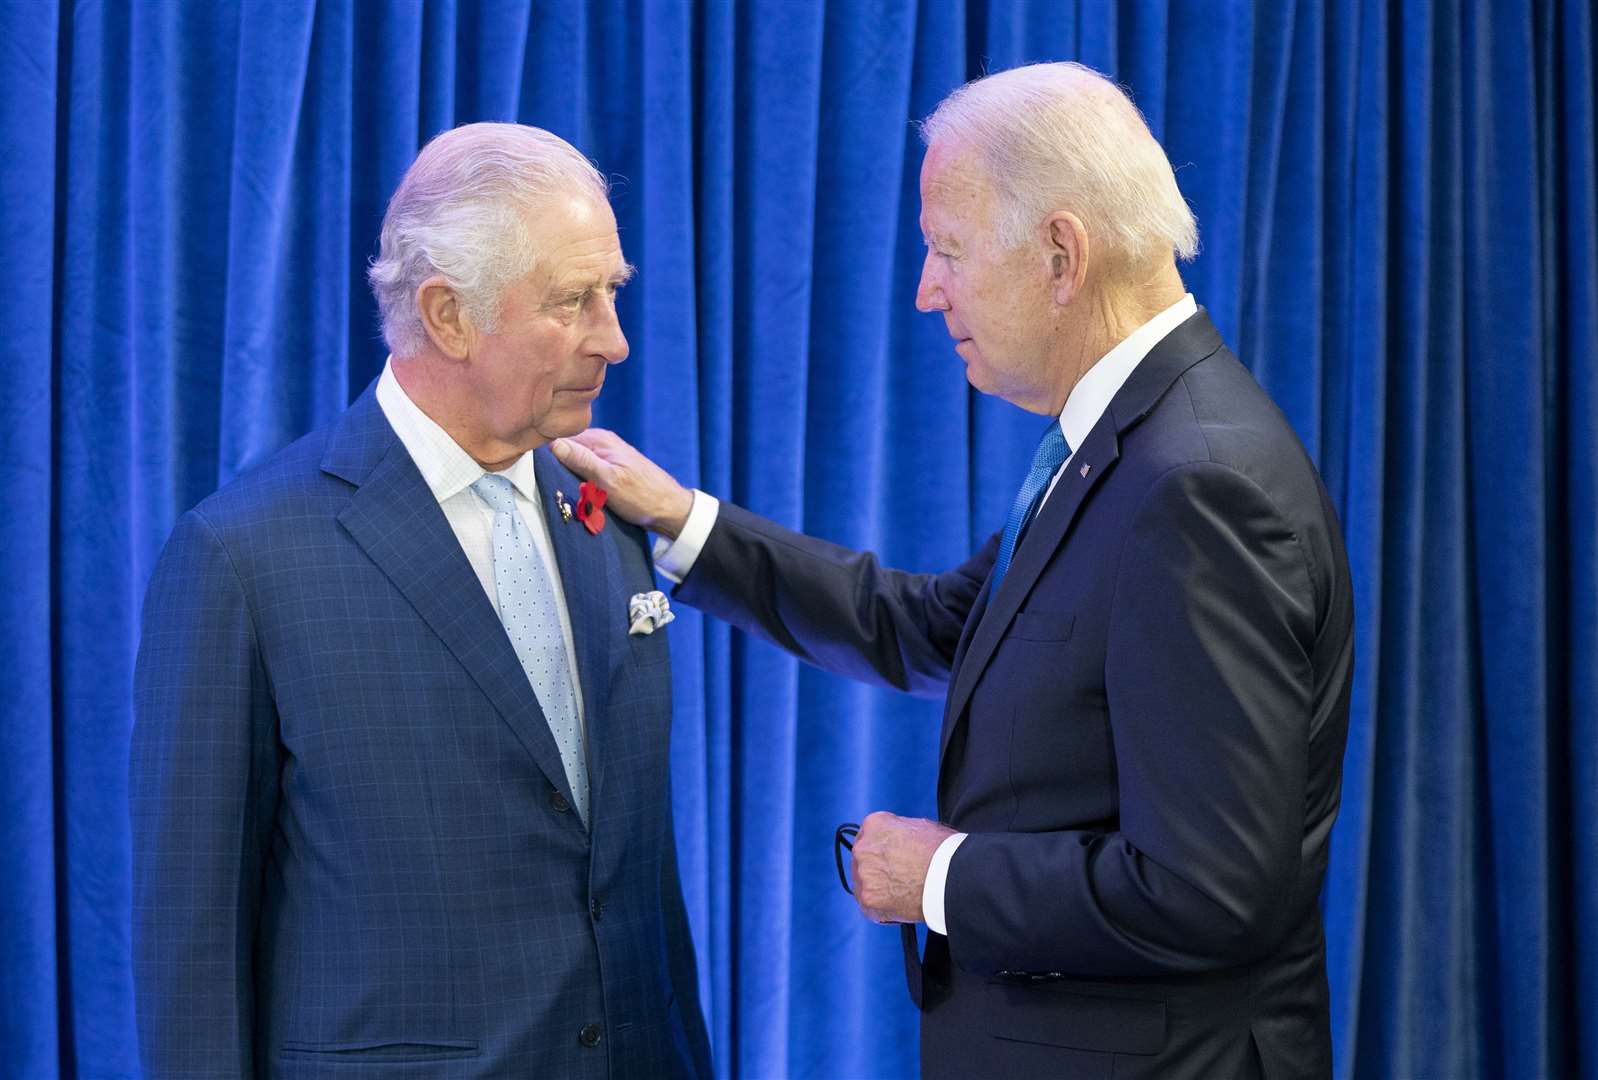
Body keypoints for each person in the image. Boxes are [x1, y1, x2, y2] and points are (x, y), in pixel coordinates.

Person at [553, 63, 1354, 1079]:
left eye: (946, 251)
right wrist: (684, 522)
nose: (927, 291)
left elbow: (1207, 893)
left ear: (1061, 253)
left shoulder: (1192, 484)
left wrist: (940, 876)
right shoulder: (1127, 440)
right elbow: (931, 625)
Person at [130, 123, 711, 1079]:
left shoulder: (603, 511)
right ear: (447, 315)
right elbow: (194, 951)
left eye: (613, 290)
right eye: (573, 301)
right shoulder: (244, 557)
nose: (615, 338)